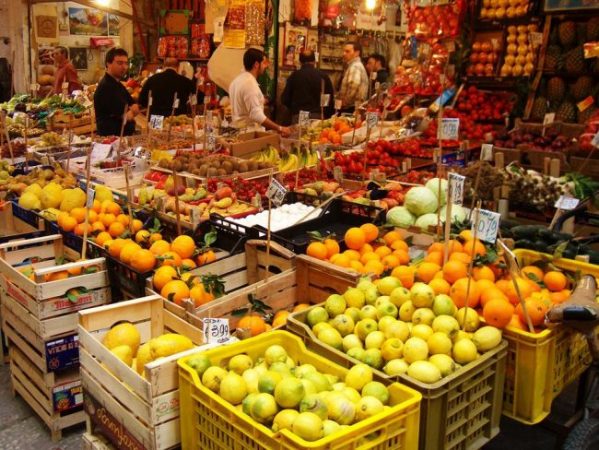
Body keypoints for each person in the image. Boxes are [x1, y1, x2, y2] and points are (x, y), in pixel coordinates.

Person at [228, 48, 290, 136]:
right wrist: (280, 128)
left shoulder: (236, 81)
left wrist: (261, 100)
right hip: (249, 134)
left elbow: (244, 104)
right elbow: (256, 115)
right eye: (264, 63)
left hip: (239, 132)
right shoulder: (249, 84)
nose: (265, 66)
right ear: (256, 64)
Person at [94, 47, 139, 136]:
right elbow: (127, 116)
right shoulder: (107, 86)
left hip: (122, 137)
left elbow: (134, 106)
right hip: (112, 139)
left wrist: (132, 111)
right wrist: (131, 112)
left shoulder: (117, 83)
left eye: (126, 63)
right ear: (108, 64)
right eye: (119, 63)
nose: (124, 67)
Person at [281, 50, 334, 122]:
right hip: (318, 116)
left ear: (300, 62)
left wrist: (293, 109)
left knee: (300, 130)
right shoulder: (323, 76)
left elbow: (285, 99)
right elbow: (328, 99)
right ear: (314, 61)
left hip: (299, 115)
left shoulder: (294, 76)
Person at [338, 42, 368, 112]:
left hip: (351, 107)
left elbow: (353, 85)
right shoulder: (355, 65)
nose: (344, 54)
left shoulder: (355, 66)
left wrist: (345, 102)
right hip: (354, 106)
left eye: (347, 51)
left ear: (357, 53)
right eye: (344, 51)